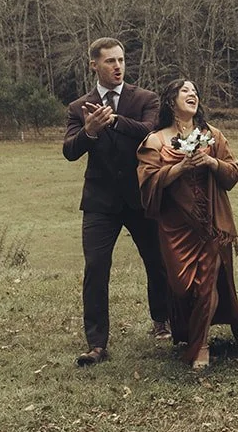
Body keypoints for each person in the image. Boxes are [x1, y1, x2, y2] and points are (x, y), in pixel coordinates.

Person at [137, 80, 238, 370]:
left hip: (212, 223)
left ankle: (202, 345)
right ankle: (189, 333)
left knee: (207, 284)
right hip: (175, 226)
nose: (192, 94)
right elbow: (146, 185)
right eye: (185, 91)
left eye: (195, 91)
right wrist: (179, 168)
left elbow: (233, 173)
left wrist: (211, 163)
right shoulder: (155, 141)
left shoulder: (212, 135)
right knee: (183, 287)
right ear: (171, 101)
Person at [62, 37, 170, 366]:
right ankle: (96, 344)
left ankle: (162, 321)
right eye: (110, 61)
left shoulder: (145, 99)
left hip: (141, 195)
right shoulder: (78, 107)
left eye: (121, 60)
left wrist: (113, 121)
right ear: (94, 65)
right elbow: (69, 150)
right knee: (96, 267)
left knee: (157, 261)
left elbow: (151, 132)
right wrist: (89, 131)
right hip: (99, 200)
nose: (118, 66)